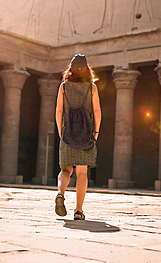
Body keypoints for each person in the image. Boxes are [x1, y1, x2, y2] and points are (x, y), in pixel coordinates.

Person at [55, 54, 102, 220]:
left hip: (67, 133)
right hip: (86, 135)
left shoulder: (63, 87)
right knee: (82, 173)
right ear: (87, 69)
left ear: (71, 69)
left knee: (65, 169)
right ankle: (78, 211)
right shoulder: (92, 87)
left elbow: (59, 111)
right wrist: (95, 132)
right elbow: (96, 111)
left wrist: (62, 133)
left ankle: (60, 193)